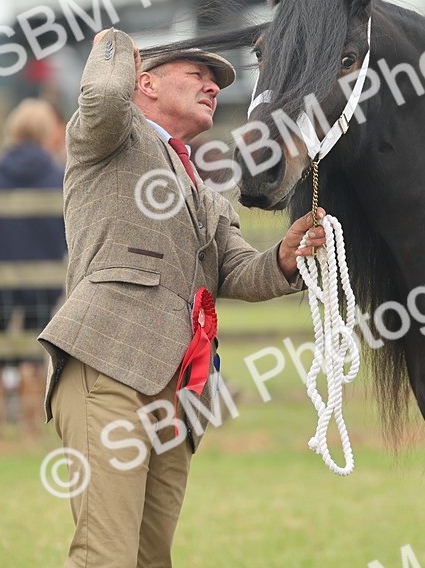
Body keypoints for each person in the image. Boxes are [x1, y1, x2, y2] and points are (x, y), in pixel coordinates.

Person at [39, 29, 326, 567]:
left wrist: (287, 257)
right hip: (109, 367)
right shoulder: (109, 133)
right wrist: (113, 42)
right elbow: (101, 94)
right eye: (197, 75)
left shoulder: (204, 188)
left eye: (216, 82)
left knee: (152, 559)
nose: (213, 87)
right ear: (143, 82)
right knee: (106, 556)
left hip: (179, 390)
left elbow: (239, 270)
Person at [0, 99, 66, 438]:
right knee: (33, 353)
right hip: (42, 277)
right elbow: (70, 228)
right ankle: (30, 432)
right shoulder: (57, 176)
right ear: (46, 133)